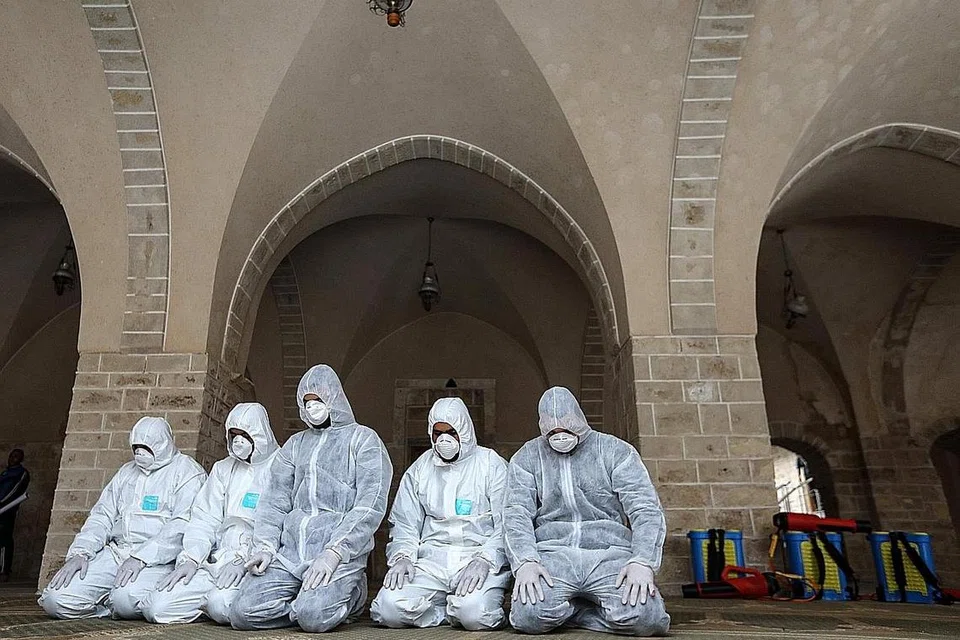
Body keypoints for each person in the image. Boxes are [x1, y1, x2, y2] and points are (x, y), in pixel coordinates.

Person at [228, 364, 392, 633]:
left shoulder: (363, 440)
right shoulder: (295, 445)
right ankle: (305, 602)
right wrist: (266, 547)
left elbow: (370, 504)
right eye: (307, 402)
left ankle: (352, 595)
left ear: (334, 397)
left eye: (319, 400)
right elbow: (274, 500)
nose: (313, 407)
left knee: (313, 618)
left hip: (337, 553)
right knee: (242, 613)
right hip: (290, 553)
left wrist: (334, 551)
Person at [504, 387, 670, 636]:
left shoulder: (615, 451)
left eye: (567, 428)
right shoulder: (527, 457)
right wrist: (525, 561)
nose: (560, 436)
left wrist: (642, 561)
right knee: (527, 618)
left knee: (648, 620)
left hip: (610, 554)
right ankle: (593, 610)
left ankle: (575, 614)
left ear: (579, 420)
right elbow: (515, 513)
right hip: (552, 556)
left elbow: (645, 508)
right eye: (552, 431)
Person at [39, 417, 206, 619]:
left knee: (125, 600)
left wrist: (142, 557)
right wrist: (81, 553)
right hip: (117, 553)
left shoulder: (188, 472)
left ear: (163, 444)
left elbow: (181, 525)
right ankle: (105, 606)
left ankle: (115, 601)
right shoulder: (126, 472)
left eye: (147, 448)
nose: (140, 453)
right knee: (56, 599)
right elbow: (102, 515)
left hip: (158, 560)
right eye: (136, 447)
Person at [370, 397, 509, 630]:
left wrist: (486, 559)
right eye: (438, 433)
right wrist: (403, 556)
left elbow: (506, 523)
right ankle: (445, 613)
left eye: (451, 432)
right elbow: (405, 522)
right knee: (388, 609)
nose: (444, 439)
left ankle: (464, 610)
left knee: (475, 615)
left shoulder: (490, 465)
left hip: (475, 560)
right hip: (430, 562)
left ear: (464, 430)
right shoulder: (420, 469)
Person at [140, 403, 280, 624]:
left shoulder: (280, 465)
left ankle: (217, 603)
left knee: (221, 605)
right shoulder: (223, 468)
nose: (238, 441)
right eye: (233, 435)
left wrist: (245, 559)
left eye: (244, 435)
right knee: (157, 607)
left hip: (255, 561)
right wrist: (192, 559)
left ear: (260, 433)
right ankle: (204, 601)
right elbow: (204, 517)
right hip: (218, 557)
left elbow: (279, 522)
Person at [0, 448, 30, 582]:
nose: (13, 458)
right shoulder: (5, 473)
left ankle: (5, 570)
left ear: (21, 459)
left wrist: (1, 503)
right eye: (12, 455)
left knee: (5, 538)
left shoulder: (22, 473)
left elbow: (14, 490)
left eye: (17, 456)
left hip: (7, 510)